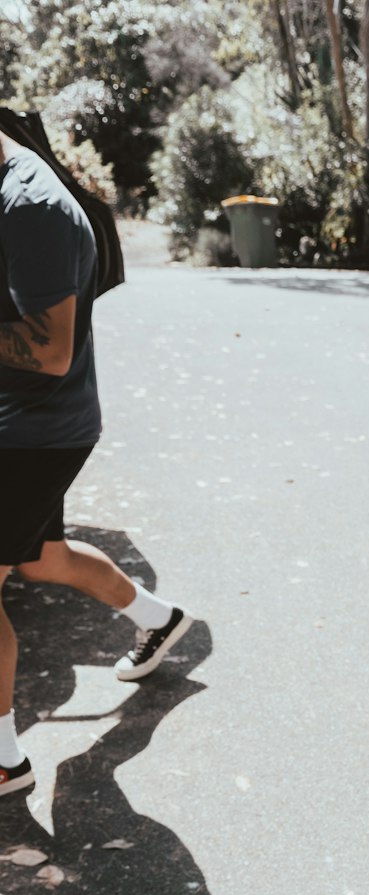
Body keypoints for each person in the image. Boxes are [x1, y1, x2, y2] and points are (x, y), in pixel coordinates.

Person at [0, 128, 191, 798]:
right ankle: (158, 618)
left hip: (36, 431)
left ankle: (4, 760)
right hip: (26, 424)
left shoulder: (30, 206)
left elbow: (50, 351)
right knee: (40, 559)